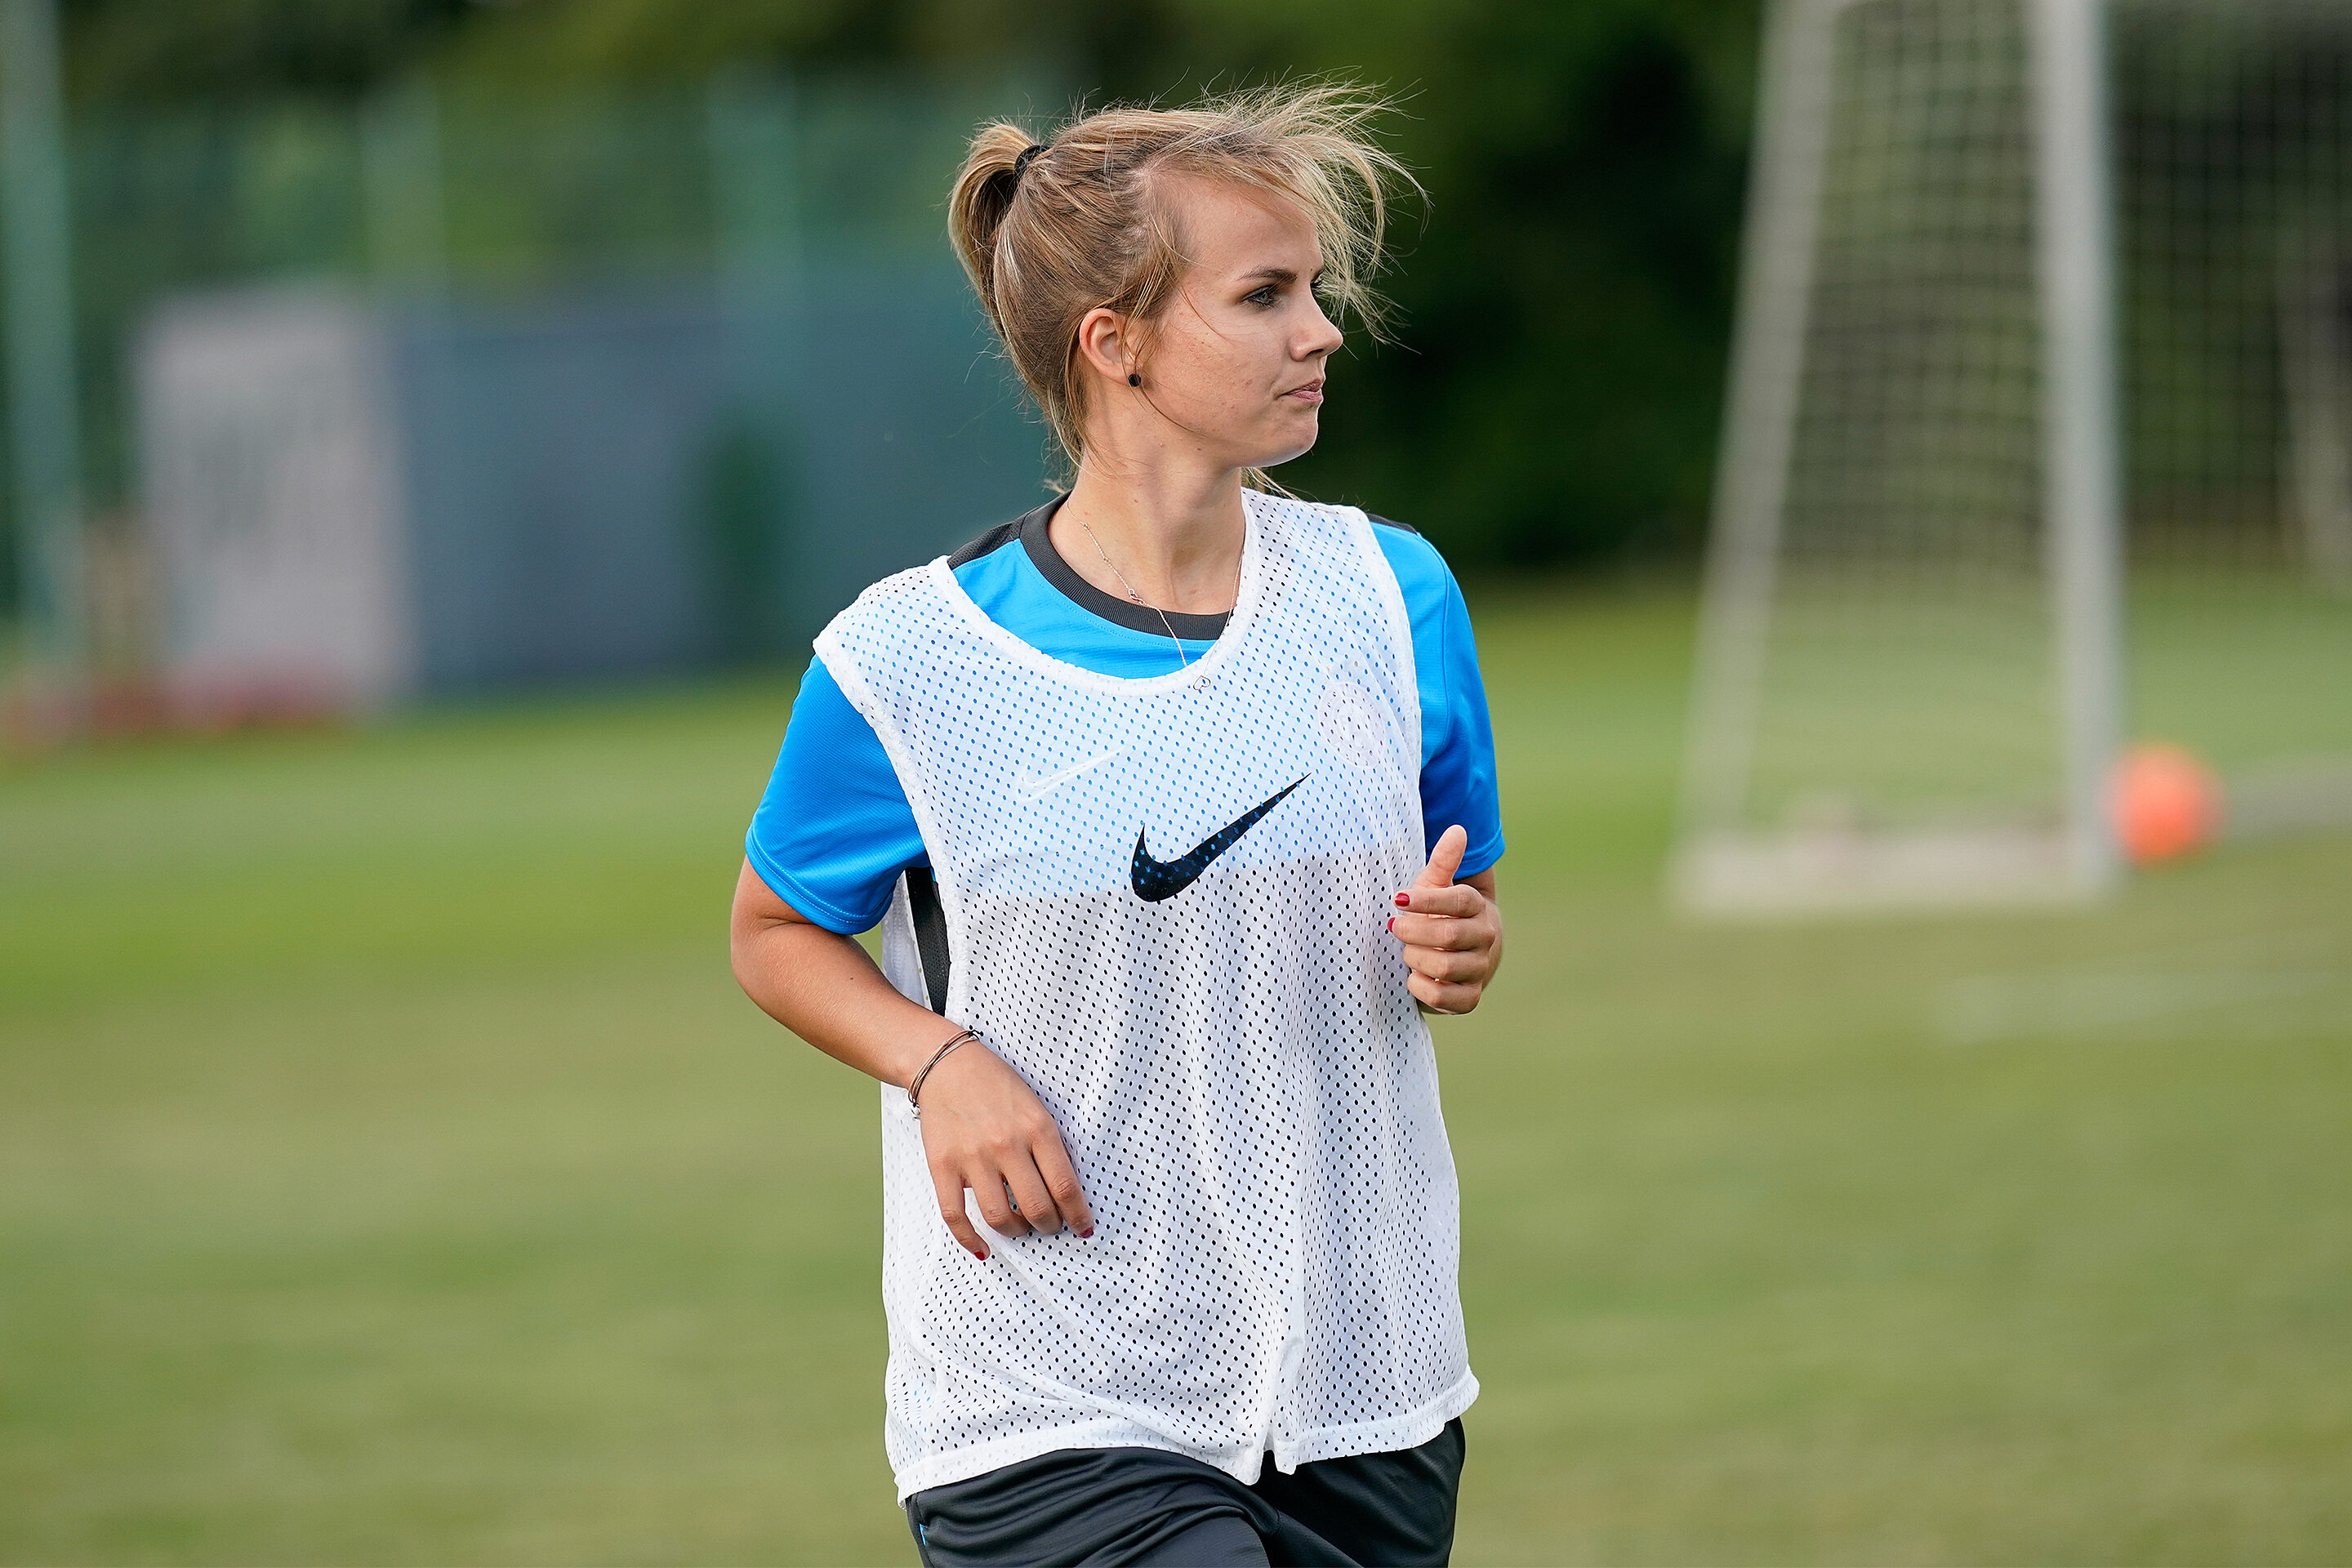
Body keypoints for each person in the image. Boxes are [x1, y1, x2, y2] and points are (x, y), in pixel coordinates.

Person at [730, 82, 1505, 1568]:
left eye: (1315, 290)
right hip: (1049, 1389)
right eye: (1266, 294)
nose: (1320, 328)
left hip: (1363, 1373)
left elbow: (1455, 911)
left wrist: (1462, 942)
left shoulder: (1395, 601)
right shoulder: (908, 663)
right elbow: (773, 932)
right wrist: (937, 1059)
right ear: (1118, 342)